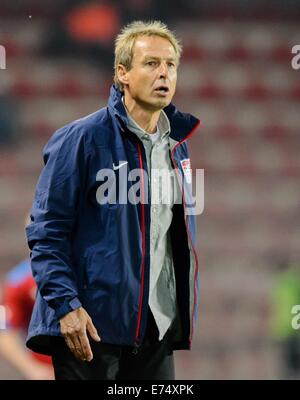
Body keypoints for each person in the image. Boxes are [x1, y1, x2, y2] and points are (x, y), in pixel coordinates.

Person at [26, 20, 201, 380]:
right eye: (151, 63)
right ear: (122, 72)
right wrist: (66, 306)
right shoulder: (81, 139)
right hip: (91, 326)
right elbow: (47, 232)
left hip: (155, 328)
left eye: (171, 65)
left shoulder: (178, 148)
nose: (163, 73)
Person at [0, 259, 53, 380]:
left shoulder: (92, 270)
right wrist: (32, 368)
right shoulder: (17, 280)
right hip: (47, 369)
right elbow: (4, 330)